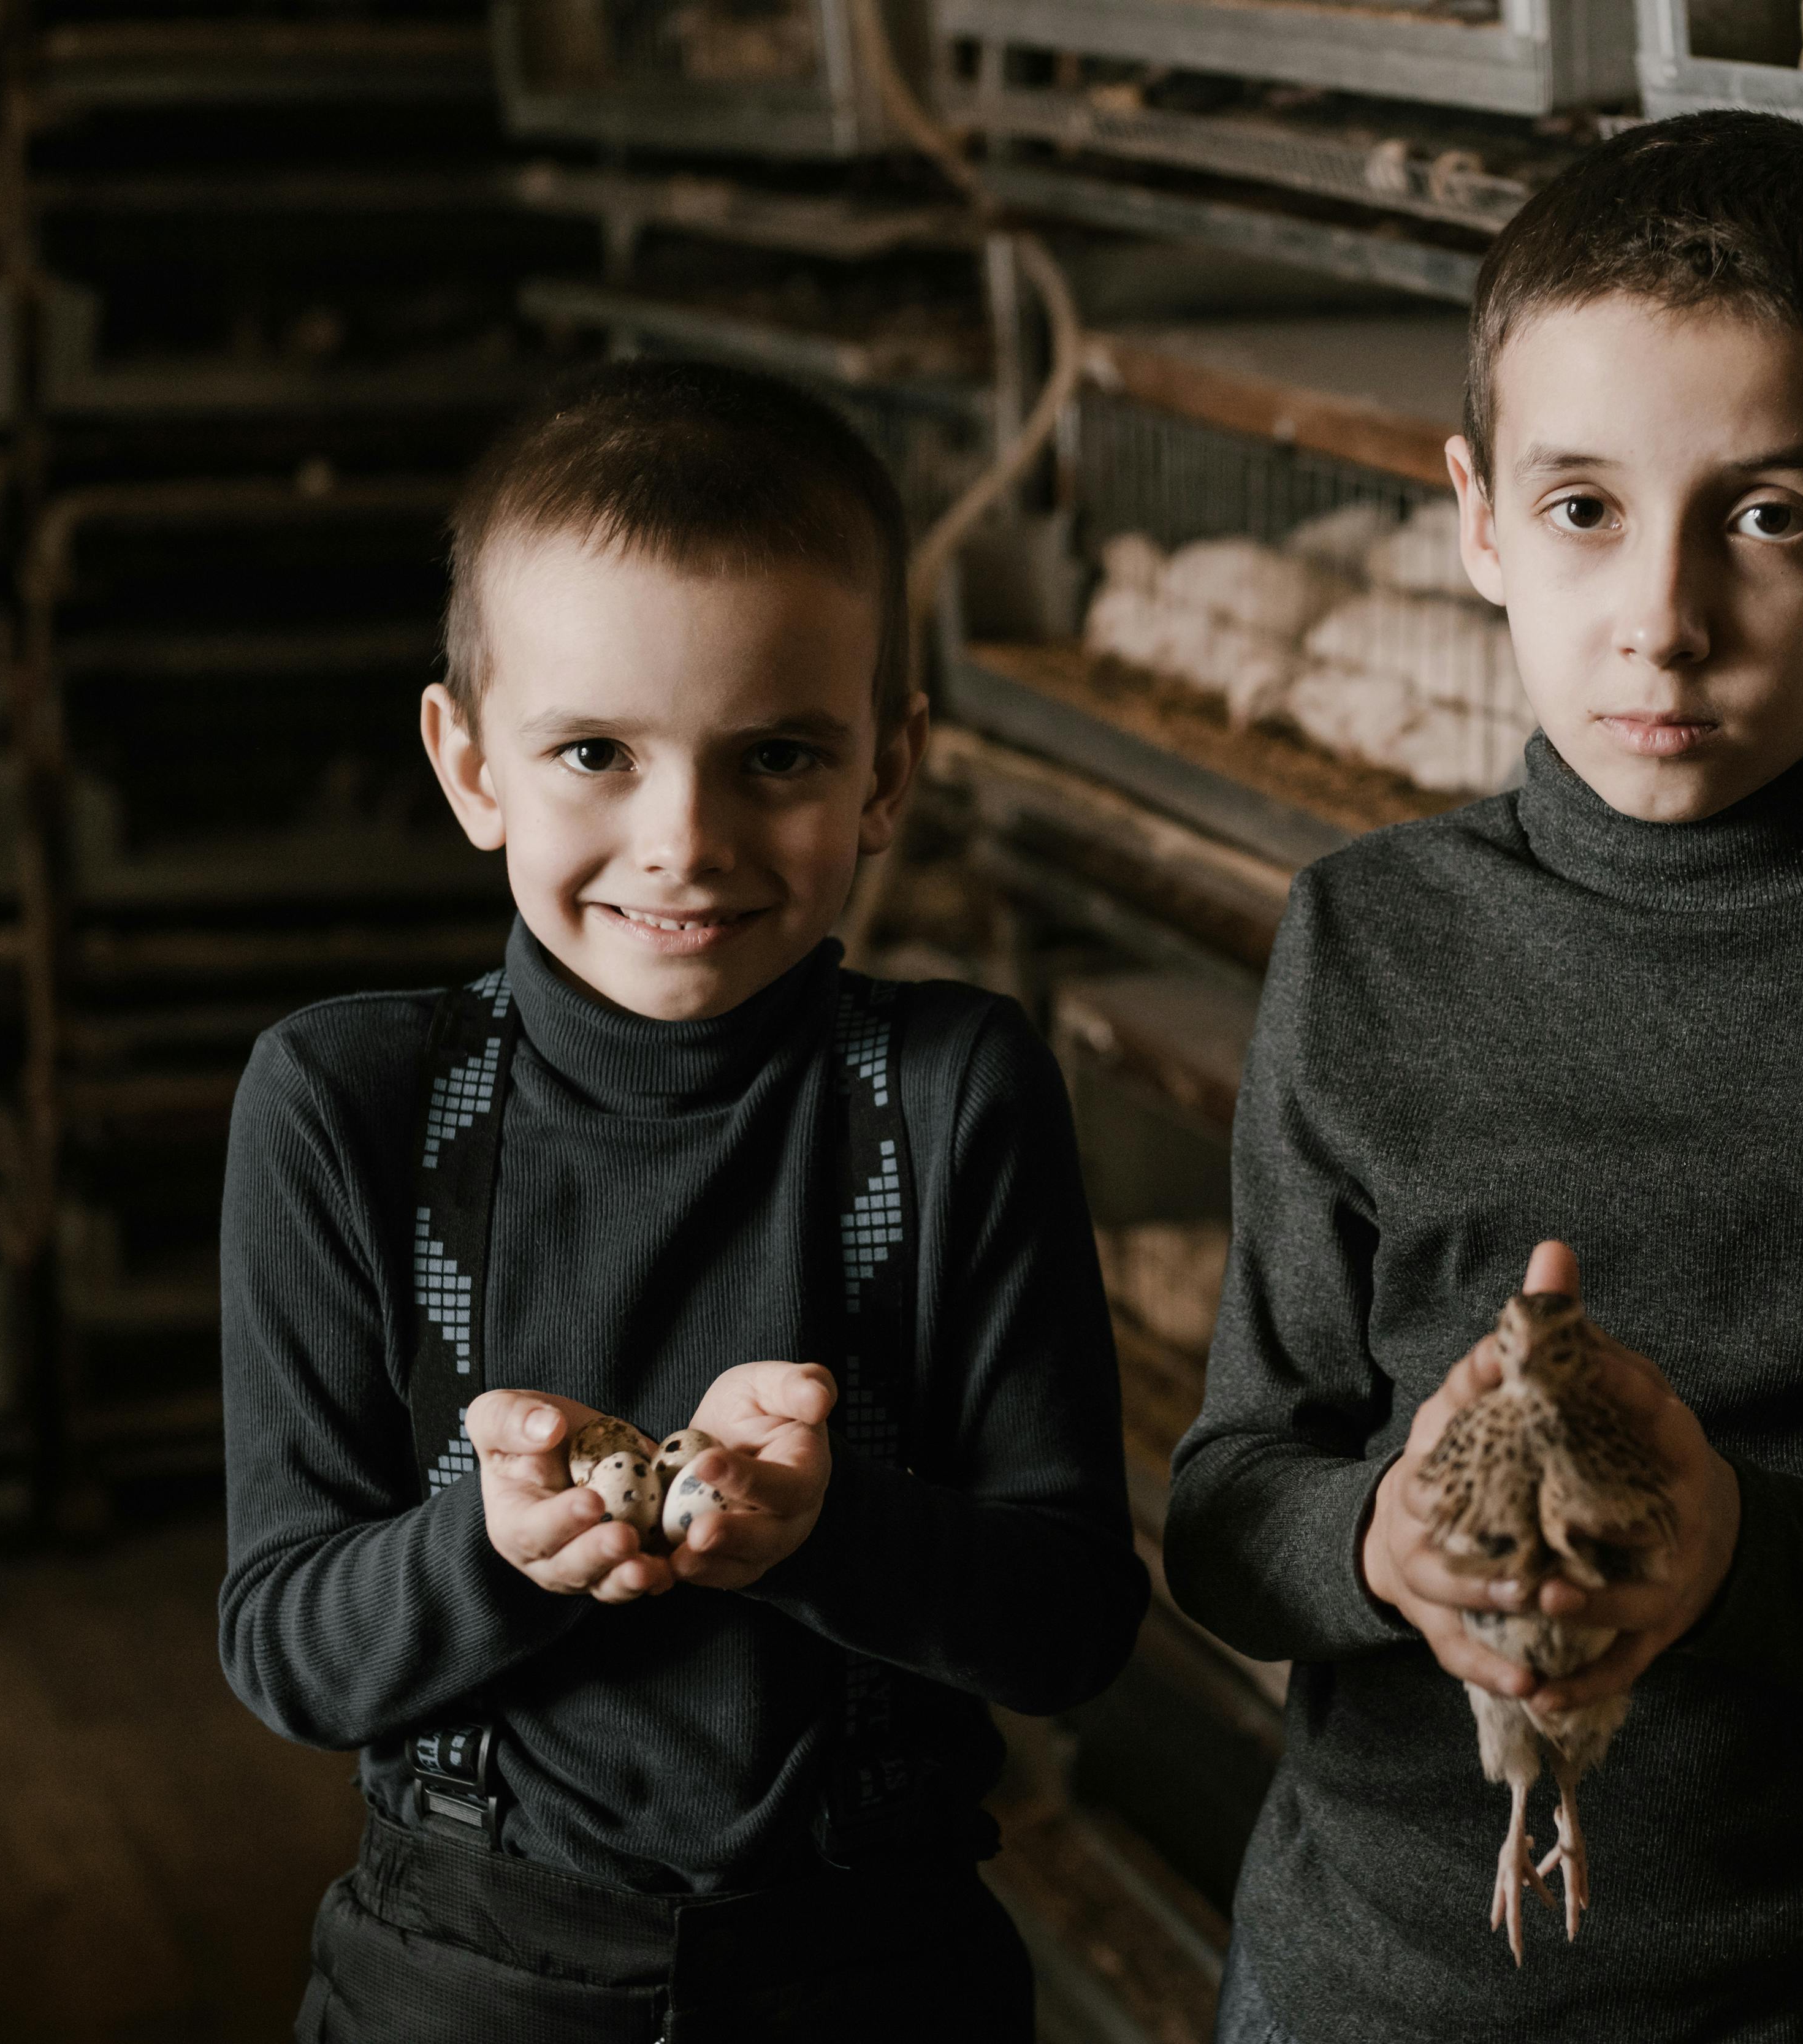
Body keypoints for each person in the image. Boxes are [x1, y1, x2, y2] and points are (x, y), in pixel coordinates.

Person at [1167, 110, 1803, 2043]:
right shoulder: (1364, 941)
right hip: (1367, 1991)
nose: (1663, 616)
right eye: (1585, 508)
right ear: (1478, 520)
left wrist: (1741, 1555)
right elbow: (1231, 1501)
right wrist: (1377, 1541)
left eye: (1769, 514)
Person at [218, 360, 1148, 2042]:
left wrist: (829, 1529)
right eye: (594, 752)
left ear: (885, 774)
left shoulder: (952, 1094)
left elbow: (1073, 1621)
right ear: (469, 761)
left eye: (777, 756)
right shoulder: (342, 1107)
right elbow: (287, 1641)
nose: (686, 840)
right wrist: (492, 1552)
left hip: (876, 1977)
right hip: (461, 1980)